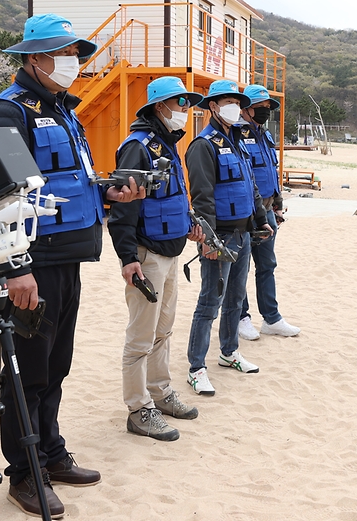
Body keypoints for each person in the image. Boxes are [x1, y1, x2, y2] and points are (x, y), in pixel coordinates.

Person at [0, 13, 143, 518]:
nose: (72, 62)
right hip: (32, 265)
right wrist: (15, 267)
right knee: (26, 372)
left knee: (56, 366)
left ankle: (49, 452)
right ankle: (24, 473)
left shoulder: (64, 111)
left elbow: (67, 183)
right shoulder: (7, 113)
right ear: (32, 58)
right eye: (62, 53)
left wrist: (107, 194)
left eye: (75, 53)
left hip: (67, 259)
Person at [108, 76, 206, 441]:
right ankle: (138, 409)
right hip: (146, 256)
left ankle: (161, 392)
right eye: (179, 104)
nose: (185, 111)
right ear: (158, 107)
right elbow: (122, 211)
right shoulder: (137, 147)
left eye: (186, 104)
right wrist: (127, 258)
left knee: (163, 331)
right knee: (141, 337)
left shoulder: (167, 144)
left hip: (170, 253)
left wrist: (189, 224)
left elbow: (174, 199)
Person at [185, 80, 271, 396]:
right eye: (228, 101)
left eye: (238, 101)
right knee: (210, 301)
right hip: (219, 236)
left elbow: (251, 185)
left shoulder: (237, 140)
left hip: (243, 232)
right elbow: (202, 197)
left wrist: (261, 220)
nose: (235, 107)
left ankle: (229, 351)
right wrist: (207, 239)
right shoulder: (203, 145)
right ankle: (196, 367)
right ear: (213, 106)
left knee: (236, 297)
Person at [235, 85, 300, 341]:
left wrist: (277, 204)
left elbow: (271, 172)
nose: (264, 111)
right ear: (245, 108)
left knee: (267, 265)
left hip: (268, 210)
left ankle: (271, 319)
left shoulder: (266, 135)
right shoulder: (236, 134)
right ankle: (241, 317)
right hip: (247, 214)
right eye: (259, 107)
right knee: (242, 267)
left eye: (267, 108)